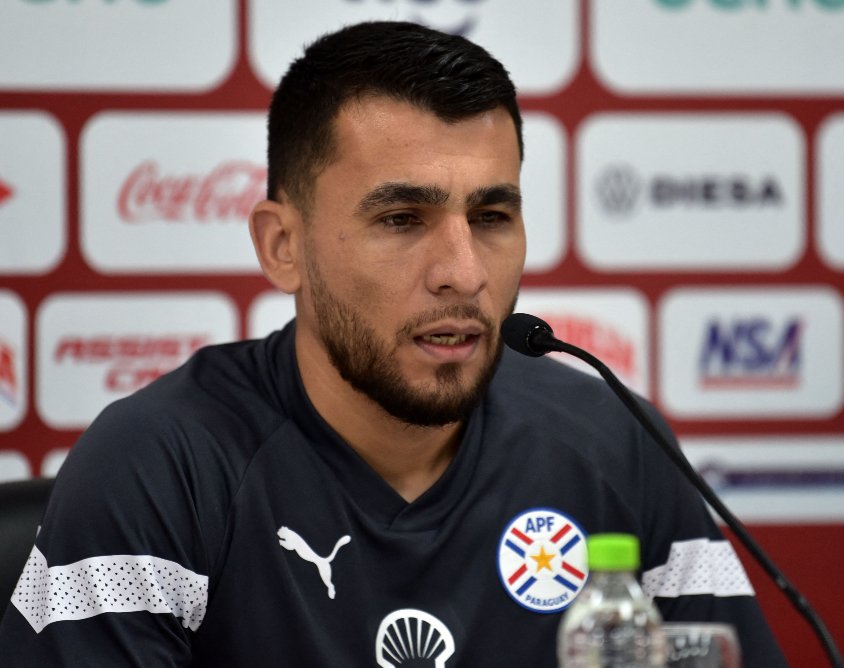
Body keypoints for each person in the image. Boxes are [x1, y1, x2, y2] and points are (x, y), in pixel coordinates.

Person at [0, 21, 787, 666]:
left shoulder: (617, 443)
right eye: (401, 220)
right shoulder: (157, 464)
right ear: (283, 247)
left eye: (491, 217)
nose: (463, 272)